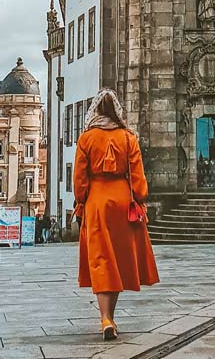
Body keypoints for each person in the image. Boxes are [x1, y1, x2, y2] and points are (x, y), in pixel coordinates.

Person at [73, 88, 159, 341]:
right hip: (123, 200)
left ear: (96, 110)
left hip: (97, 202)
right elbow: (138, 176)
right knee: (119, 260)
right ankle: (110, 317)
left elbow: (80, 179)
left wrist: (81, 201)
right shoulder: (127, 137)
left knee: (102, 259)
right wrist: (140, 199)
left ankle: (105, 318)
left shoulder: (86, 139)